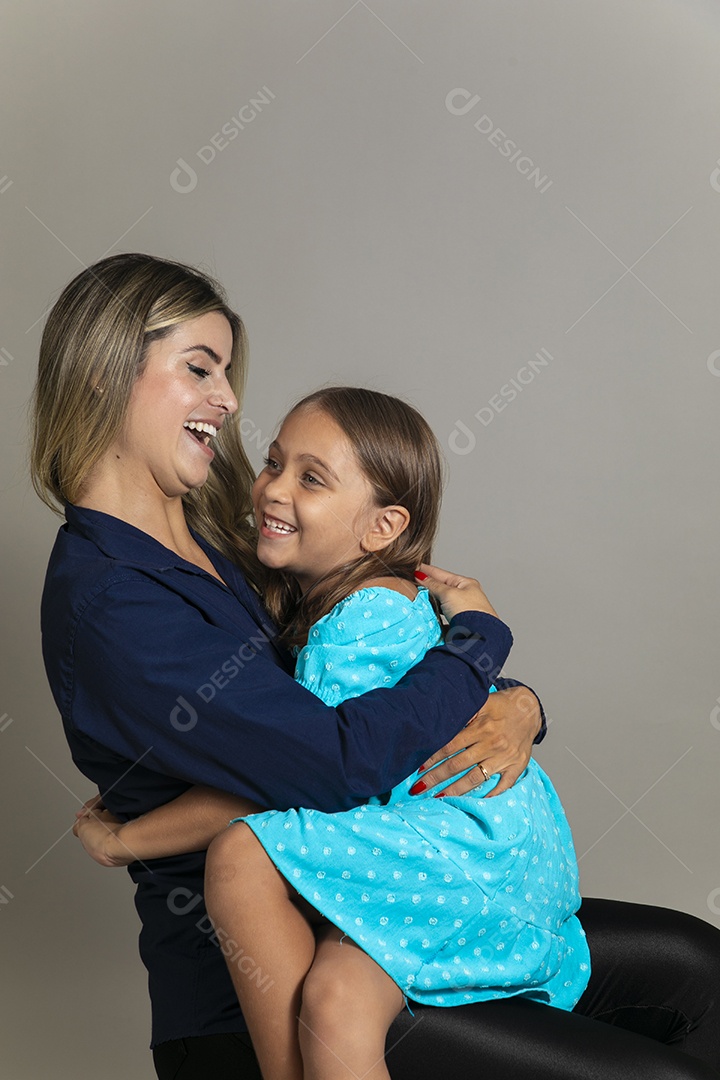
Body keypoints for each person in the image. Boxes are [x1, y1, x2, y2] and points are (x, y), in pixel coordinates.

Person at [32, 253, 720, 1080]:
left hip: (374, 902)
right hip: (264, 990)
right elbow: (332, 759)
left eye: (226, 372)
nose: (229, 399)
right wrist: (479, 646)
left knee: (700, 969)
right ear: (106, 372)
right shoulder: (116, 602)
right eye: (199, 368)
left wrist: (515, 703)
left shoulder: (221, 545)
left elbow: (374, 679)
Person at [75, 385, 591, 1080]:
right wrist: (510, 685)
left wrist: (126, 839)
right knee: (338, 1000)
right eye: (273, 462)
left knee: (242, 856)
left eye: (311, 479)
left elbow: (309, 773)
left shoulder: (362, 615)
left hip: (462, 852)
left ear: (382, 527)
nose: (274, 488)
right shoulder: (370, 599)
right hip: (510, 854)